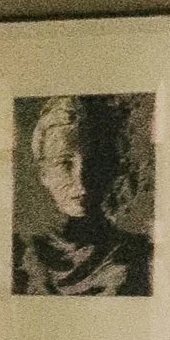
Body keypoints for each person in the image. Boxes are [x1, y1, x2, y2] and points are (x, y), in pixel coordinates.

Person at [15, 92, 153, 298]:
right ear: (43, 173)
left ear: (110, 166)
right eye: (64, 163)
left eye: (93, 162)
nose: (81, 180)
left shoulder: (140, 257)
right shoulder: (23, 261)